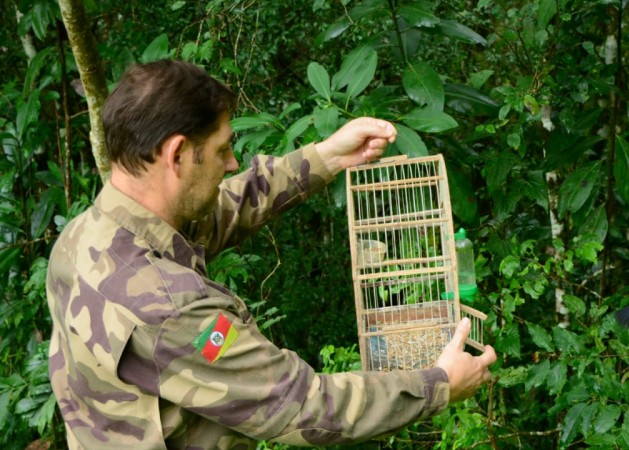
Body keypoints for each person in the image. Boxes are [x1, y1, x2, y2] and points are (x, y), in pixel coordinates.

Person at [46, 59, 496, 449]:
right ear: (177, 153)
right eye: (222, 150)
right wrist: (437, 385)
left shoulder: (84, 237)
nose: (231, 164)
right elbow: (299, 405)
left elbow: (222, 209)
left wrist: (327, 157)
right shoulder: (170, 310)